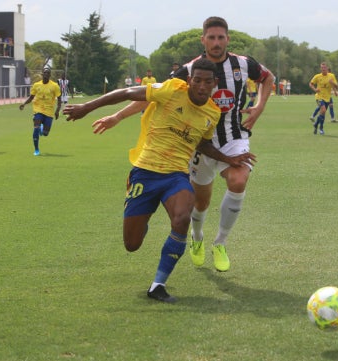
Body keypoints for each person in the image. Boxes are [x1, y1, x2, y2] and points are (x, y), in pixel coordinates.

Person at [63, 58, 255, 302]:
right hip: (145, 171)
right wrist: (87, 107)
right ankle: (141, 214)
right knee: (132, 244)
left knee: (183, 216)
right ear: (189, 81)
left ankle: (158, 285)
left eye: (208, 82)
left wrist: (229, 159)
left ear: (215, 84)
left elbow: (202, 143)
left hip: (176, 176)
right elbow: (126, 92)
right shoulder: (172, 90)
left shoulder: (212, 112)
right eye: (197, 80)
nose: (202, 86)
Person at [111, 16, 274, 272]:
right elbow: (154, 95)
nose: (217, 42)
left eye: (221, 37)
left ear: (227, 39)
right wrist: (118, 116)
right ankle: (197, 238)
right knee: (200, 203)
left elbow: (268, 77)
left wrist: (259, 107)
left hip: (233, 138)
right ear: (203, 39)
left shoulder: (243, 64)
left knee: (239, 180)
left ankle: (220, 242)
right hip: (198, 144)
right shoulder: (189, 70)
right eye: (212, 37)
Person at [19, 68, 61, 156]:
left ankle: (42, 129)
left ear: (50, 75)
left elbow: (59, 99)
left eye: (47, 73)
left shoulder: (54, 86)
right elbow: (31, 97)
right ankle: (36, 150)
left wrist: (57, 111)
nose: (46, 74)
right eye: (44, 73)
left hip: (49, 111)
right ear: (42, 74)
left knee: (45, 133)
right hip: (38, 109)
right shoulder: (36, 85)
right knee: (36, 128)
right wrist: (24, 104)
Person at [309, 62, 338, 134]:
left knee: (322, 113)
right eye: (322, 68)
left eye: (324, 68)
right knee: (323, 110)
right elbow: (310, 84)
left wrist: (333, 83)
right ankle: (321, 129)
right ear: (321, 68)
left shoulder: (331, 76)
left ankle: (317, 125)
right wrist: (315, 89)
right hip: (319, 97)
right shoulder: (317, 76)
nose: (323, 69)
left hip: (327, 98)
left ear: (327, 68)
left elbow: (337, 86)